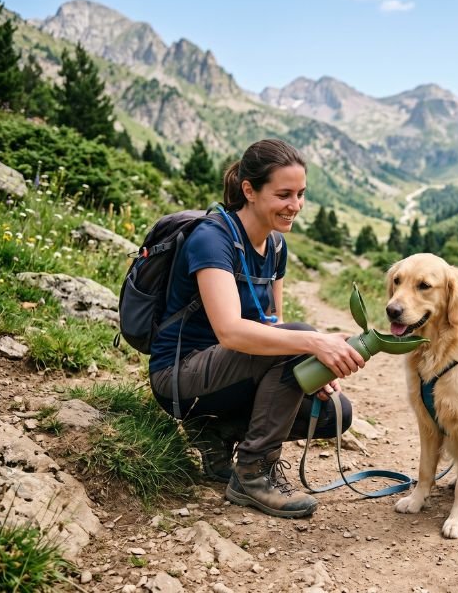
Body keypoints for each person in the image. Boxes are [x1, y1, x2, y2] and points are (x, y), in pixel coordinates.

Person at [149, 139, 366, 518]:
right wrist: (312, 343)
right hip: (180, 377)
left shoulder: (276, 247)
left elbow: (273, 325)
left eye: (300, 194)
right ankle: (252, 473)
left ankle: (218, 431)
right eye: (283, 194)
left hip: (229, 377)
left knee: (336, 413)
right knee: (300, 338)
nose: (295, 205)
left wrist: (308, 369)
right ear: (249, 190)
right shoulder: (213, 238)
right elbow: (231, 332)